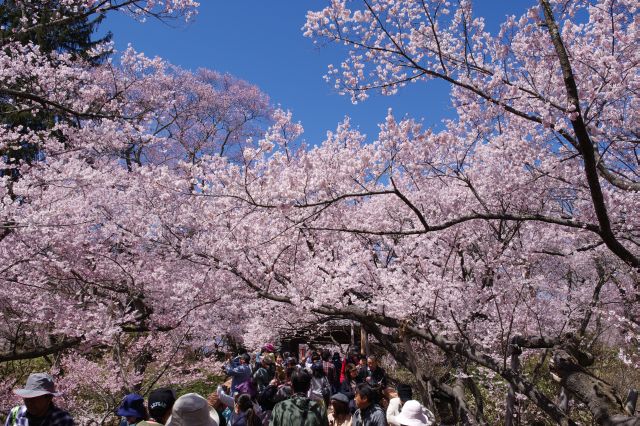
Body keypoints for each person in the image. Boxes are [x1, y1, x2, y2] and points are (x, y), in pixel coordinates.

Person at [4, 372, 74, 426]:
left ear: (49, 398)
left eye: (34, 398)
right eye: (26, 397)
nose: (29, 402)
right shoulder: (15, 414)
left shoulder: (61, 419)